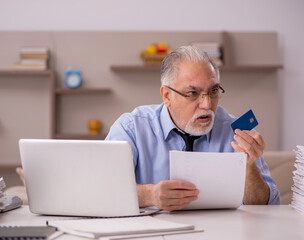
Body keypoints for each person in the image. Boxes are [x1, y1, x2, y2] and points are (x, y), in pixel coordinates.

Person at [106, 46, 280, 211]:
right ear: (167, 95)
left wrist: (249, 168)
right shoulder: (132, 129)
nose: (207, 104)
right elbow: (101, 189)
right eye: (192, 93)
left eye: (213, 91)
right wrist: (149, 196)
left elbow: (264, 207)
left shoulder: (236, 132)